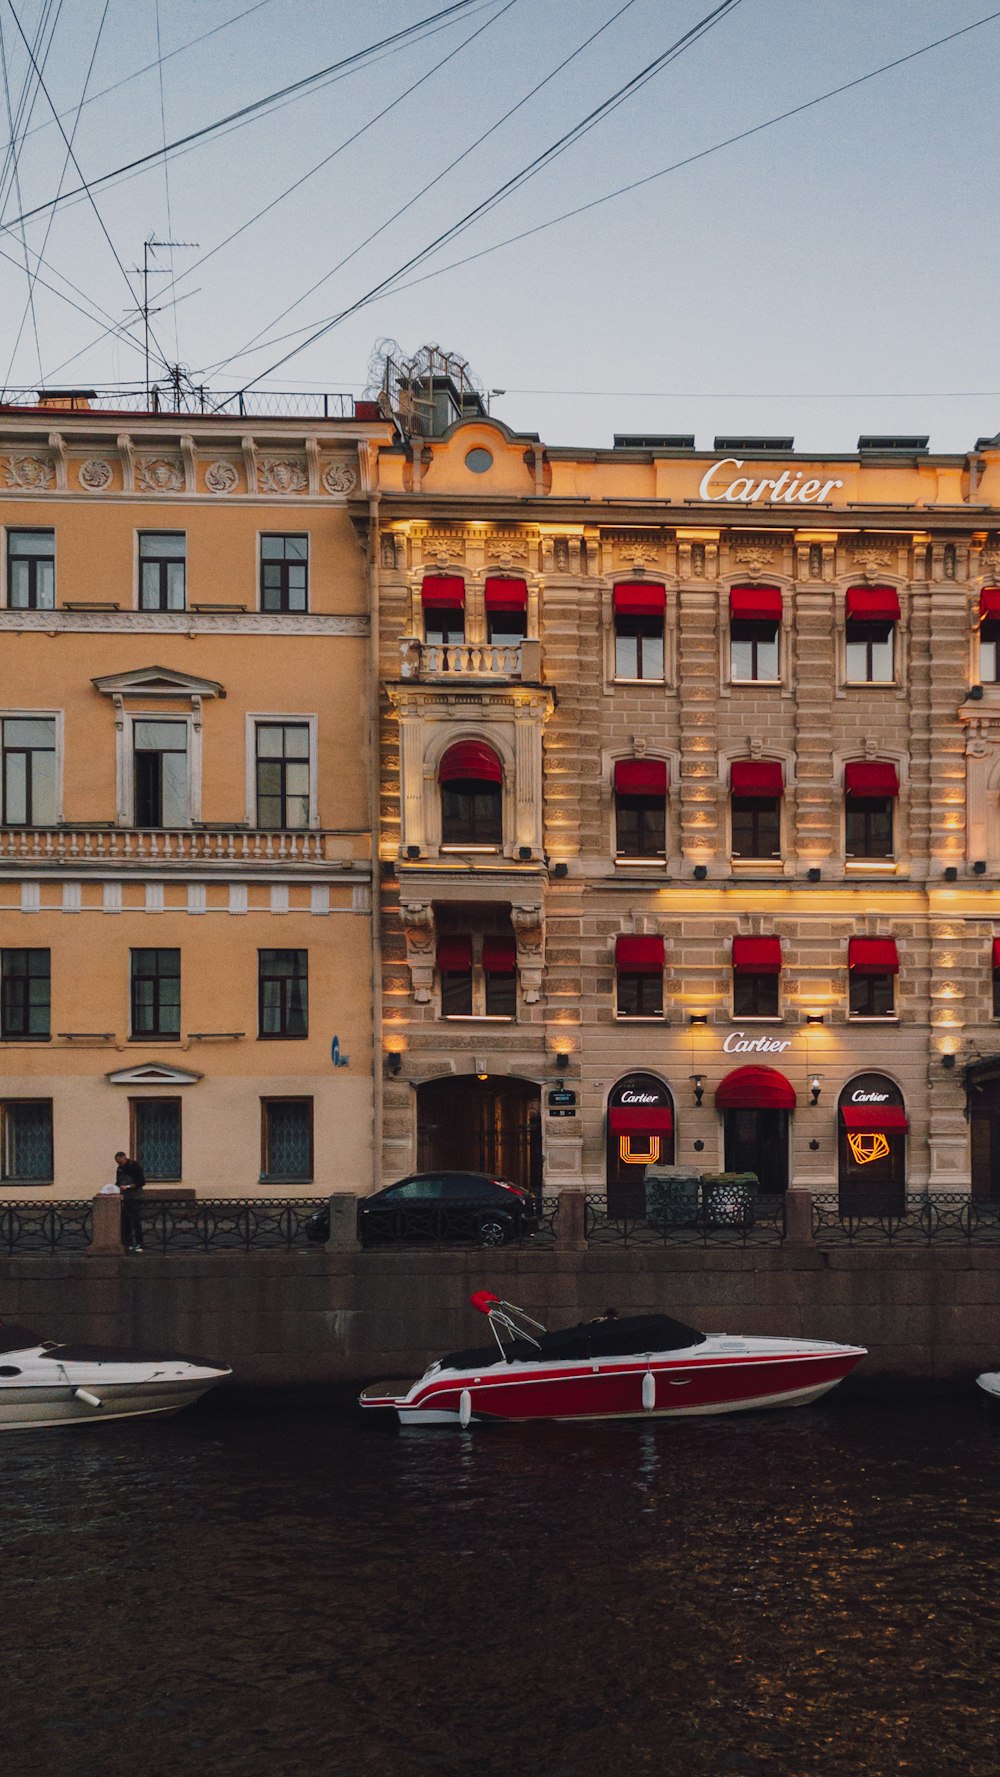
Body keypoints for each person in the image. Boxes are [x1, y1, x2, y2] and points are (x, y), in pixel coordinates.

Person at [115, 1150, 146, 1252]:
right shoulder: (120, 1168)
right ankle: (127, 1243)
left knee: (136, 1220)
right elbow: (118, 1181)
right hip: (125, 1198)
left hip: (135, 1197)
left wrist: (127, 1187)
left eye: (120, 1162)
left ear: (125, 1158)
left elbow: (141, 1182)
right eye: (118, 1162)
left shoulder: (134, 1166)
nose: (119, 1164)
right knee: (125, 1221)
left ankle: (139, 1243)